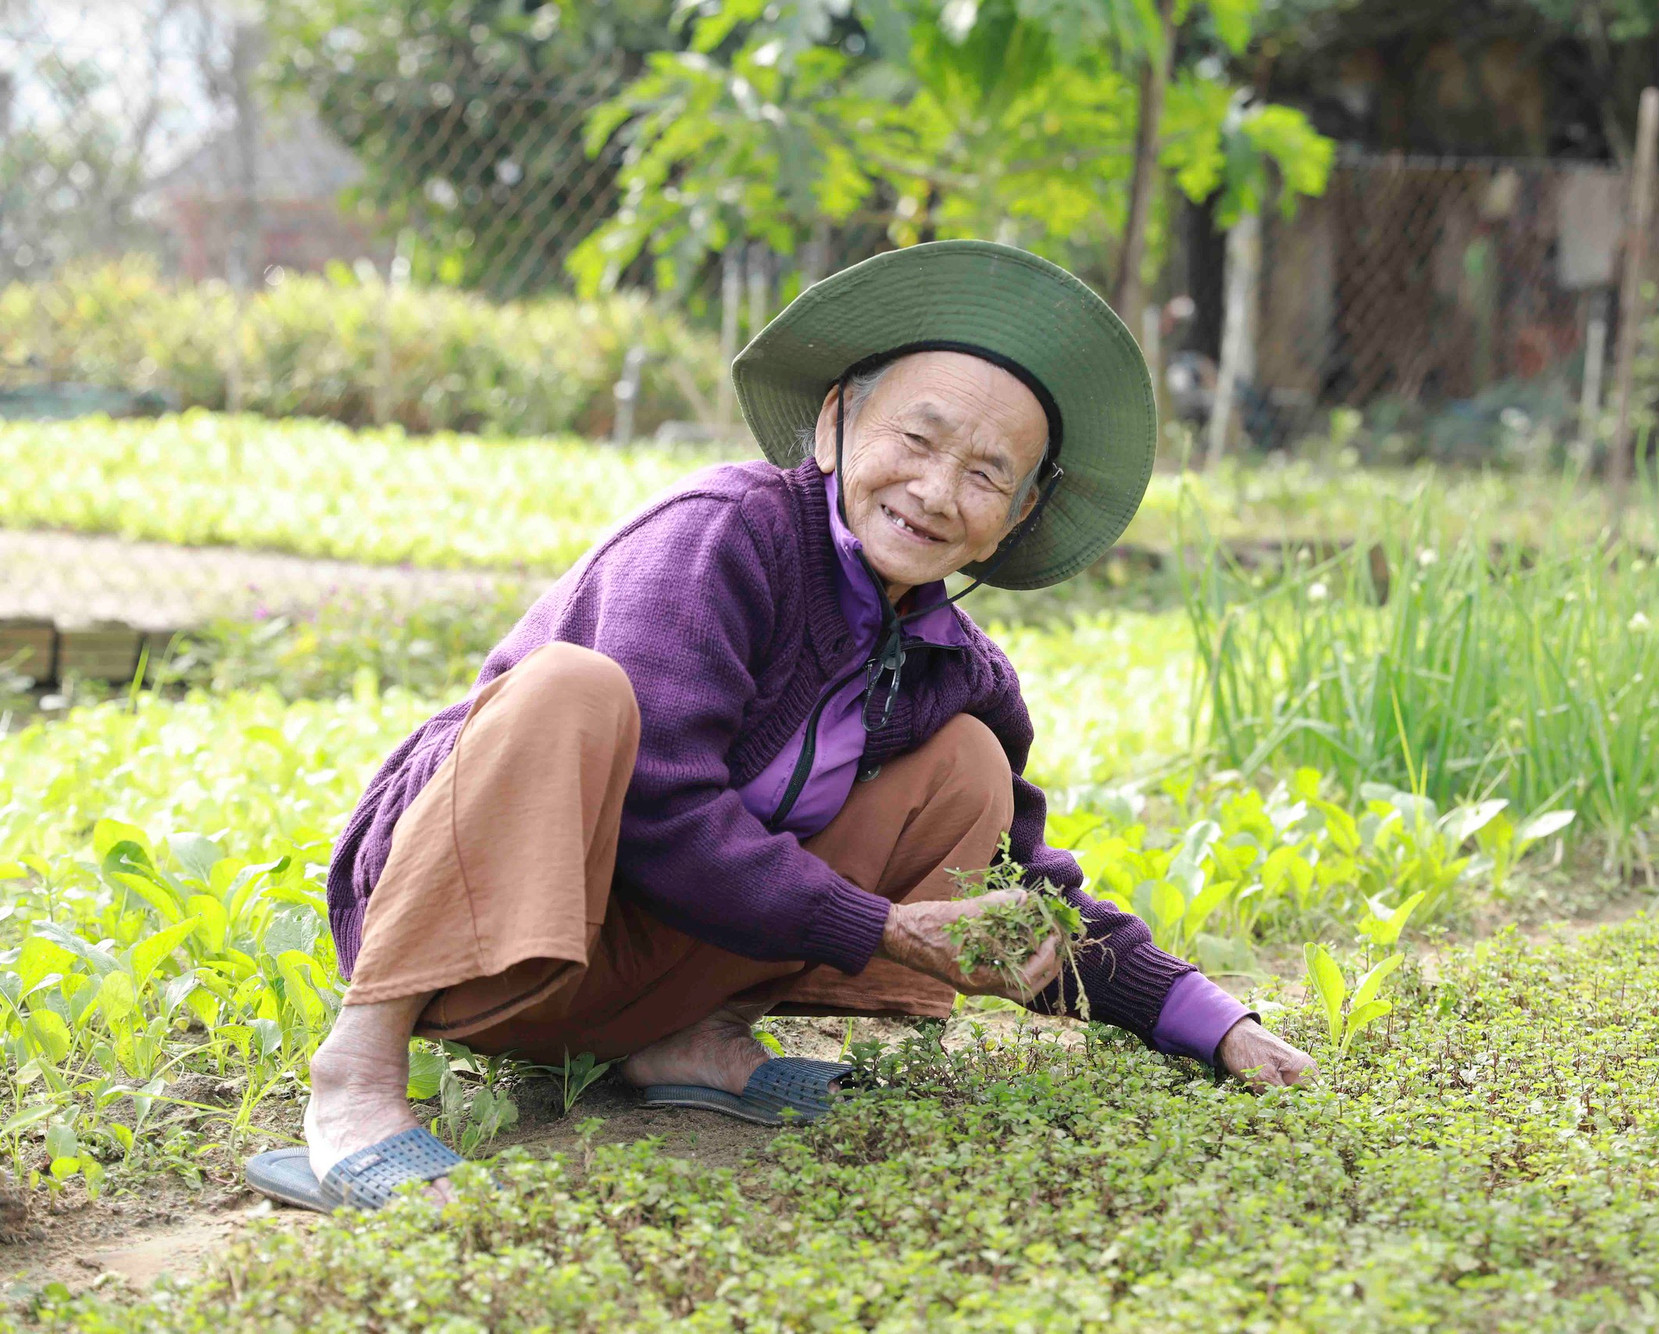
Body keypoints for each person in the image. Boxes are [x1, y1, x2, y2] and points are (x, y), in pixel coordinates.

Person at [247, 241, 1316, 1213]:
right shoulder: (720, 537)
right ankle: (359, 1066)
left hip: (646, 978)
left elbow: (1029, 895)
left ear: (1022, 512)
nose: (936, 491)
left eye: (987, 474)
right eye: (916, 437)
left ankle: (687, 1041)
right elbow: (663, 803)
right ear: (835, 418)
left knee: (968, 766)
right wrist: (885, 927)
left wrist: (1208, 1019)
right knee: (570, 685)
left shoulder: (956, 664)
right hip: (485, 956)